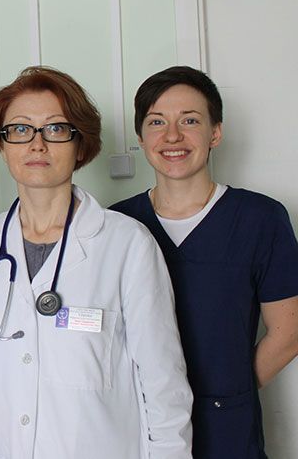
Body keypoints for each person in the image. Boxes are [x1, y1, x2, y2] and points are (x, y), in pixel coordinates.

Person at [0, 66, 193, 458]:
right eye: (19, 129)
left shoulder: (127, 243)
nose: (37, 144)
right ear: (3, 145)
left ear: (80, 144)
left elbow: (163, 383)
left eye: (55, 129)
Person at [111, 65, 298, 458]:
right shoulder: (117, 224)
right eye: (156, 122)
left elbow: (289, 332)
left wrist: (231, 392)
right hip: (138, 427)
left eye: (190, 120)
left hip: (227, 431)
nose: (172, 136)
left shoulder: (260, 219)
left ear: (216, 133)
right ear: (141, 137)